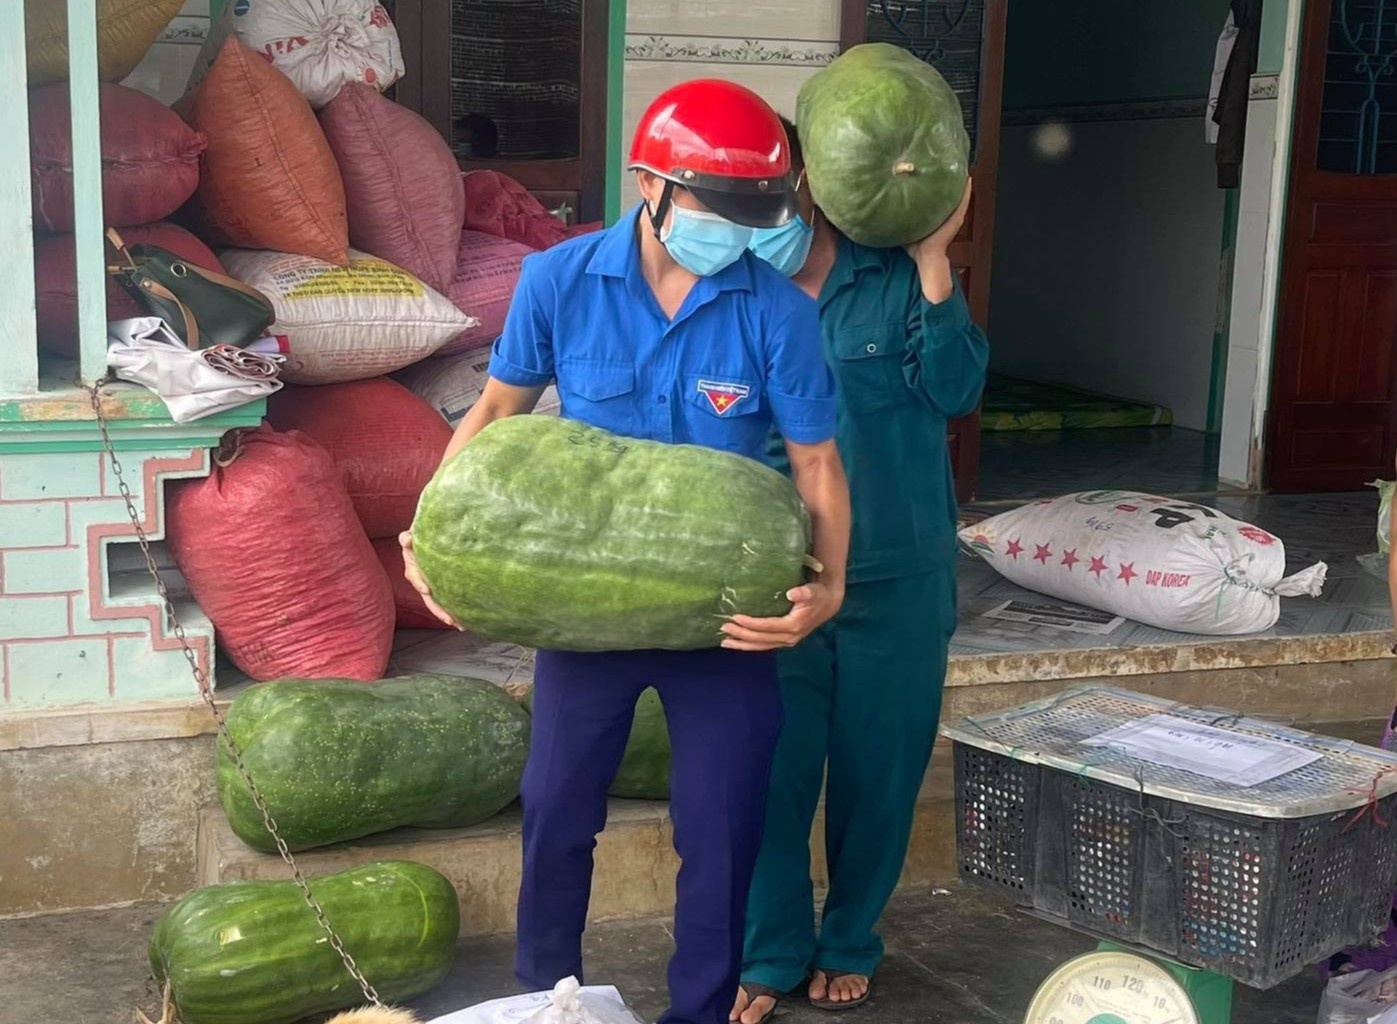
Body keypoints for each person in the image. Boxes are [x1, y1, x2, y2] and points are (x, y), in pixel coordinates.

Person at [400, 82, 852, 1024]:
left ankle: (699, 1011)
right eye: (715, 208)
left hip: (726, 616)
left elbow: (814, 461)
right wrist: (427, 527)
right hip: (587, 614)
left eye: (754, 213)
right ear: (648, 183)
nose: (734, 229)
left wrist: (830, 587)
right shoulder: (557, 280)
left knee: (722, 832)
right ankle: (543, 1000)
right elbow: (494, 411)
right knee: (557, 813)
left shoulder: (779, 311)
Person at [731, 115, 988, 1022]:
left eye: (780, 183)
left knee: (879, 775)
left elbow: (954, 390)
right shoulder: (736, 289)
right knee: (769, 773)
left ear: (816, 182)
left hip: (898, 572)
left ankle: (846, 943)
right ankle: (768, 950)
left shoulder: (891, 275)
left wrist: (932, 258)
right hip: (778, 575)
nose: (765, 205)